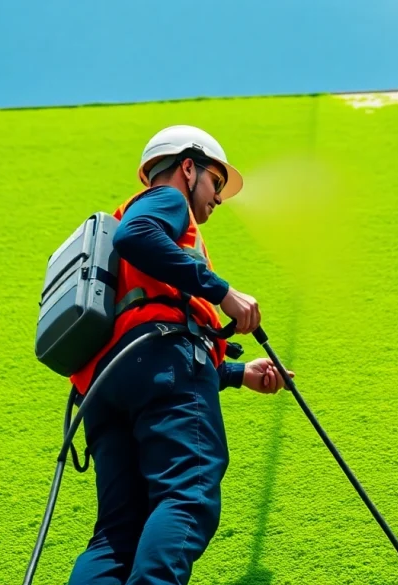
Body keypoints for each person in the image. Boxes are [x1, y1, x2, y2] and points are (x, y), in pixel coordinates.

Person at [66, 125, 294, 585]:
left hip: (106, 389)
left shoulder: (123, 235)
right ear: (188, 168)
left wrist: (236, 373)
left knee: (117, 531)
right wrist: (222, 291)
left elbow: (144, 321)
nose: (220, 197)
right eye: (215, 181)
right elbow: (139, 237)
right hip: (161, 363)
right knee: (188, 493)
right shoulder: (166, 201)